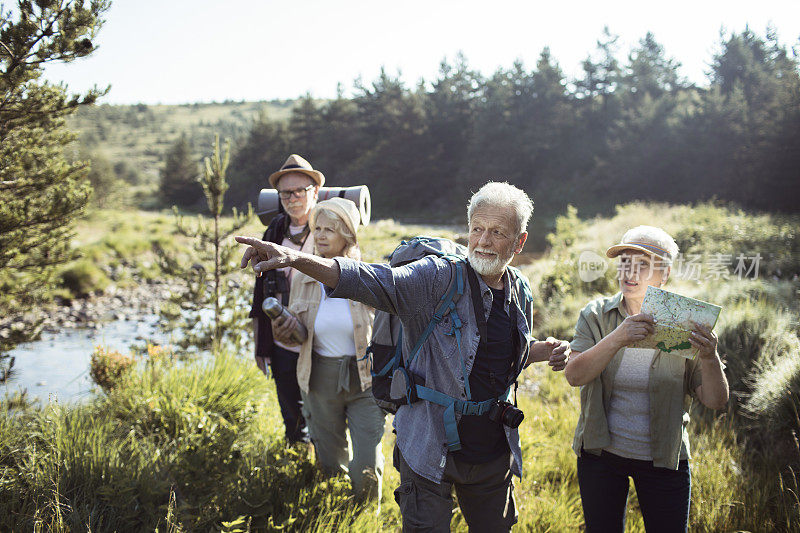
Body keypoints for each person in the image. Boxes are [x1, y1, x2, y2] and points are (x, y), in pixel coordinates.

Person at [237, 181, 571, 532]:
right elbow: (379, 281)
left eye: (498, 232)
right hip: (428, 446)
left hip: (491, 451)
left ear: (520, 241)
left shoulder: (519, 289)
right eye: (477, 229)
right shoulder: (439, 277)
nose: (484, 241)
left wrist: (539, 351)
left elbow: (494, 356)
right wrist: (295, 257)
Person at [564, 225, 729, 533]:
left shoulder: (686, 322)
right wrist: (617, 338)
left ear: (664, 274)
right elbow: (574, 375)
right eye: (624, 261)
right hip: (600, 454)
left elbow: (715, 400)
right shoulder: (597, 315)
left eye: (642, 265)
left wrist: (709, 356)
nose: (630, 272)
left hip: (664, 459)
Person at [273, 197, 386, 500]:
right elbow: (298, 335)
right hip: (319, 376)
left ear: (347, 235)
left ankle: (366, 516)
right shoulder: (303, 278)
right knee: (330, 461)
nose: (319, 235)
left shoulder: (369, 277)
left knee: (366, 462)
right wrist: (285, 332)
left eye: (329, 230)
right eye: (317, 228)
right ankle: (335, 510)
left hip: (365, 378)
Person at [249, 154, 322, 445]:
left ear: (314, 192)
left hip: (320, 341)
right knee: (291, 414)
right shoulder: (275, 231)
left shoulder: (327, 230)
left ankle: (326, 466)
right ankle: (296, 467)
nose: (291, 198)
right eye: (285, 193)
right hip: (282, 340)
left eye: (298, 191)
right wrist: (260, 344)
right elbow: (259, 291)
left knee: (323, 411)